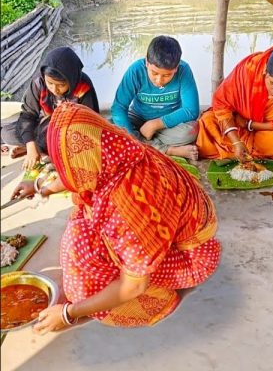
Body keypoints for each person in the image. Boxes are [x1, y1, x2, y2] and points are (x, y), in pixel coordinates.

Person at [11, 103, 220, 331]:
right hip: (175, 231)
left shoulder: (128, 207)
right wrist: (42, 188)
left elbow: (133, 286)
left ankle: (160, 302)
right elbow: (79, 175)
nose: (64, 171)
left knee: (88, 275)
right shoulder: (117, 148)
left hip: (191, 258)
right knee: (81, 226)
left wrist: (68, 313)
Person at [196, 44, 273, 161]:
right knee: (207, 121)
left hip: (269, 130)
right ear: (265, 70)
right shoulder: (250, 67)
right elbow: (222, 105)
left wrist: (249, 124)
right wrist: (236, 142)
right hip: (236, 123)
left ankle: (238, 149)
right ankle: (244, 148)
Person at [1, 47, 98, 171]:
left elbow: (90, 123)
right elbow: (28, 115)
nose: (54, 90)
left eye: (61, 85)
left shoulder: (83, 86)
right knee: (7, 133)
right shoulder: (38, 82)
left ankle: (44, 148)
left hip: (71, 129)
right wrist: (30, 145)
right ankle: (36, 147)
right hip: (45, 124)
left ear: (71, 79)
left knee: (78, 146)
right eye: (50, 83)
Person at [111, 35, 200, 160]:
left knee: (192, 131)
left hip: (169, 122)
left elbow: (191, 110)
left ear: (177, 67)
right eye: (154, 73)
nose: (159, 81)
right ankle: (167, 149)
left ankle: (144, 144)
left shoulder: (184, 70)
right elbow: (119, 107)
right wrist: (131, 135)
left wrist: (155, 124)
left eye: (167, 75)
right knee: (109, 125)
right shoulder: (135, 70)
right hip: (139, 117)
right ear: (147, 62)